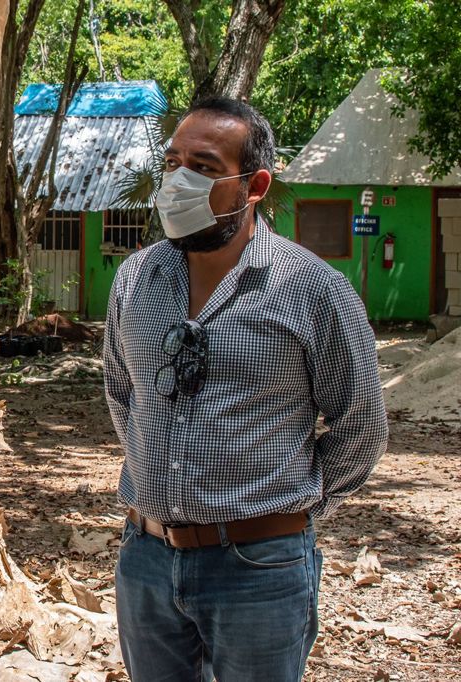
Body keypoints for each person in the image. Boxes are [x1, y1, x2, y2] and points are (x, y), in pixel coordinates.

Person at [104, 97, 388, 681]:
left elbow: (360, 428)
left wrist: (288, 511)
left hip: (261, 568)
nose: (178, 180)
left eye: (204, 168)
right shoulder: (136, 279)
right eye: (172, 161)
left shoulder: (313, 290)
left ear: (254, 185)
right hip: (146, 563)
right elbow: (123, 393)